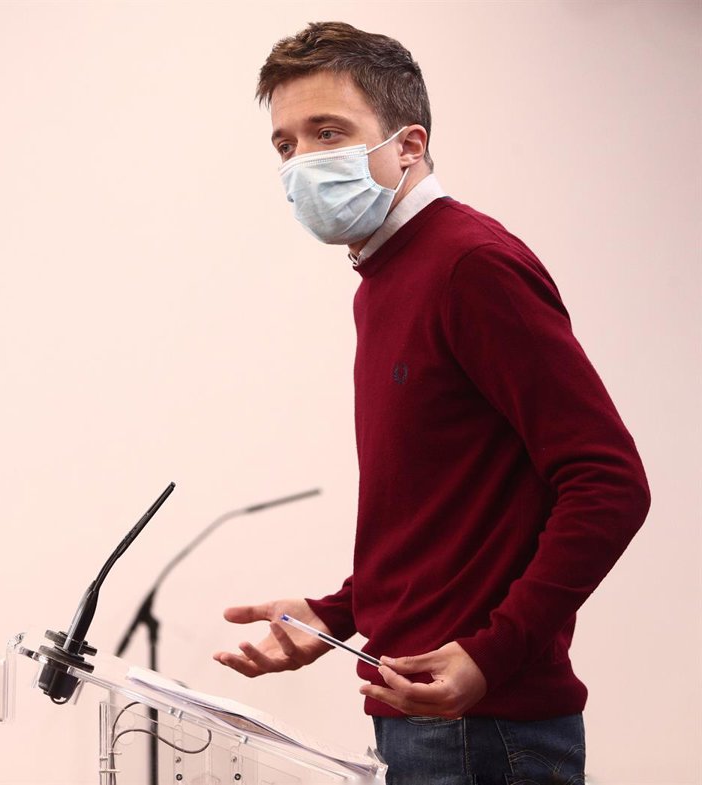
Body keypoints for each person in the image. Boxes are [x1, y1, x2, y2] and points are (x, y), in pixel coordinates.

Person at [212, 22, 650, 785]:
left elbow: (609, 481)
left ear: (408, 145)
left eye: (328, 132)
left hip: (486, 729)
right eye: (285, 144)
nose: (302, 161)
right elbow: (440, 513)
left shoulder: (471, 264)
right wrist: (340, 612)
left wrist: (492, 653)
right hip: (420, 715)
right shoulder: (384, 279)